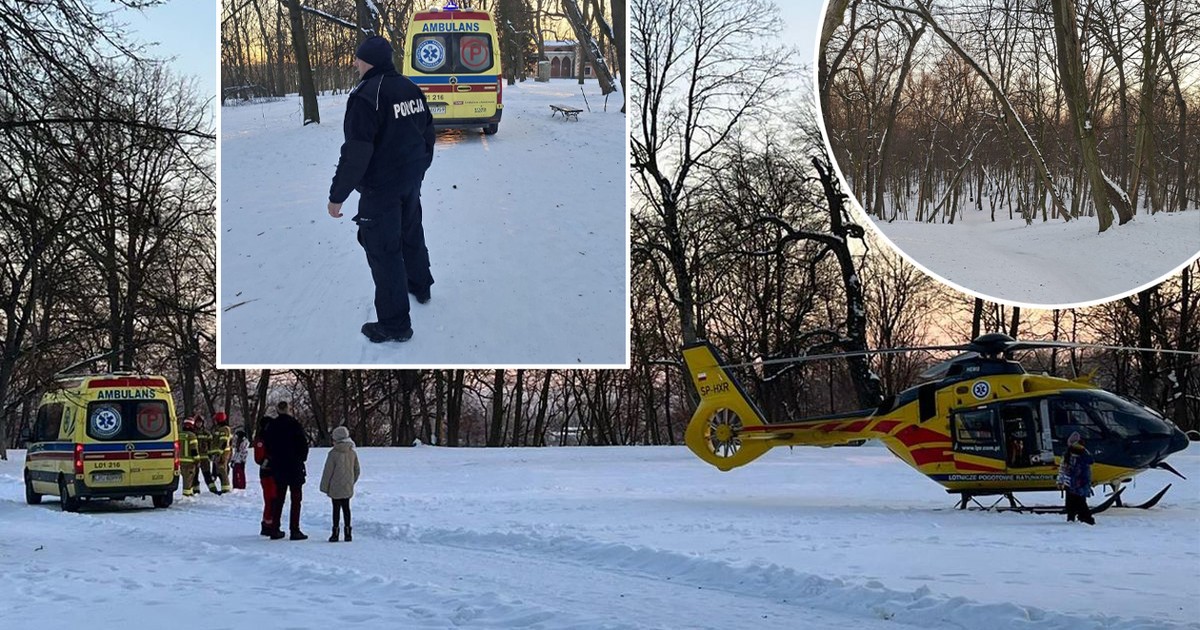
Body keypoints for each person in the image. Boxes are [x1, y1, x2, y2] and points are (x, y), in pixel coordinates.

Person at [327, 34, 436, 344]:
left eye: (358, 58)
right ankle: (420, 285)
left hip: (382, 189)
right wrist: (418, 169)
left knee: (383, 250)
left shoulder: (366, 96)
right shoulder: (410, 88)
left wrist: (337, 196)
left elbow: (355, 154)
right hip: (409, 181)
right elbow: (428, 135)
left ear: (369, 61)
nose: (355, 63)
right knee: (411, 231)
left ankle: (394, 324)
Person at [264, 401, 310, 540]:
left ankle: (275, 528)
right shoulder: (295, 424)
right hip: (294, 466)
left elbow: (268, 445)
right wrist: (301, 458)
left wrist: (274, 459)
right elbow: (303, 444)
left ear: (277, 410)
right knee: (296, 500)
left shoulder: (272, 426)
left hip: (279, 467)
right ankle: (294, 530)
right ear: (288, 409)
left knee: (279, 499)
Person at [320, 425, 361, 542]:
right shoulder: (352, 453)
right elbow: (357, 470)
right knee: (347, 509)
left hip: (335, 487)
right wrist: (351, 481)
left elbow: (328, 471)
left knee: (336, 509)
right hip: (347, 486)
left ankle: (335, 532)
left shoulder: (333, 453)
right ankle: (348, 533)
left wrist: (324, 486)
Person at [1057, 432, 1096, 525]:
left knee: (1080, 501)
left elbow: (1088, 466)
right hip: (1070, 482)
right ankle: (1072, 517)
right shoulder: (1067, 455)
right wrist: (1060, 481)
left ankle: (1085, 518)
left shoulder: (1084, 454)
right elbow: (1063, 468)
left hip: (1080, 482)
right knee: (1071, 501)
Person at [253, 415, 277, 536]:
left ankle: (270, 523)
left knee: (273, 499)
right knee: (270, 499)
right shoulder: (261, 439)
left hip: (272, 472)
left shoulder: (269, 438)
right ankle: (268, 524)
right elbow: (259, 458)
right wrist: (269, 460)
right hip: (267, 473)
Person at [194, 414, 219, 495]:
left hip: (205, 458)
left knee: (207, 474)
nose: (199, 424)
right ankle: (196, 491)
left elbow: (211, 445)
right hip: (195, 458)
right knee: (195, 475)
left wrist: (211, 454)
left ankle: (213, 489)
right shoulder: (192, 433)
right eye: (197, 422)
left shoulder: (207, 433)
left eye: (200, 422)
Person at [212, 411, 234, 493]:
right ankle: (225, 488)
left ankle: (225, 489)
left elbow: (223, 442)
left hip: (223, 453)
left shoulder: (223, 429)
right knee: (222, 470)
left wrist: (219, 453)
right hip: (225, 452)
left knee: (222, 469)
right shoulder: (226, 429)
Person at [179, 417, 201, 497]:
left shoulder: (179, 434)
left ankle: (188, 493)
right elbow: (194, 450)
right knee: (188, 480)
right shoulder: (192, 436)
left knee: (185, 478)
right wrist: (197, 460)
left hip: (180, 461)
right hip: (190, 462)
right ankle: (187, 496)